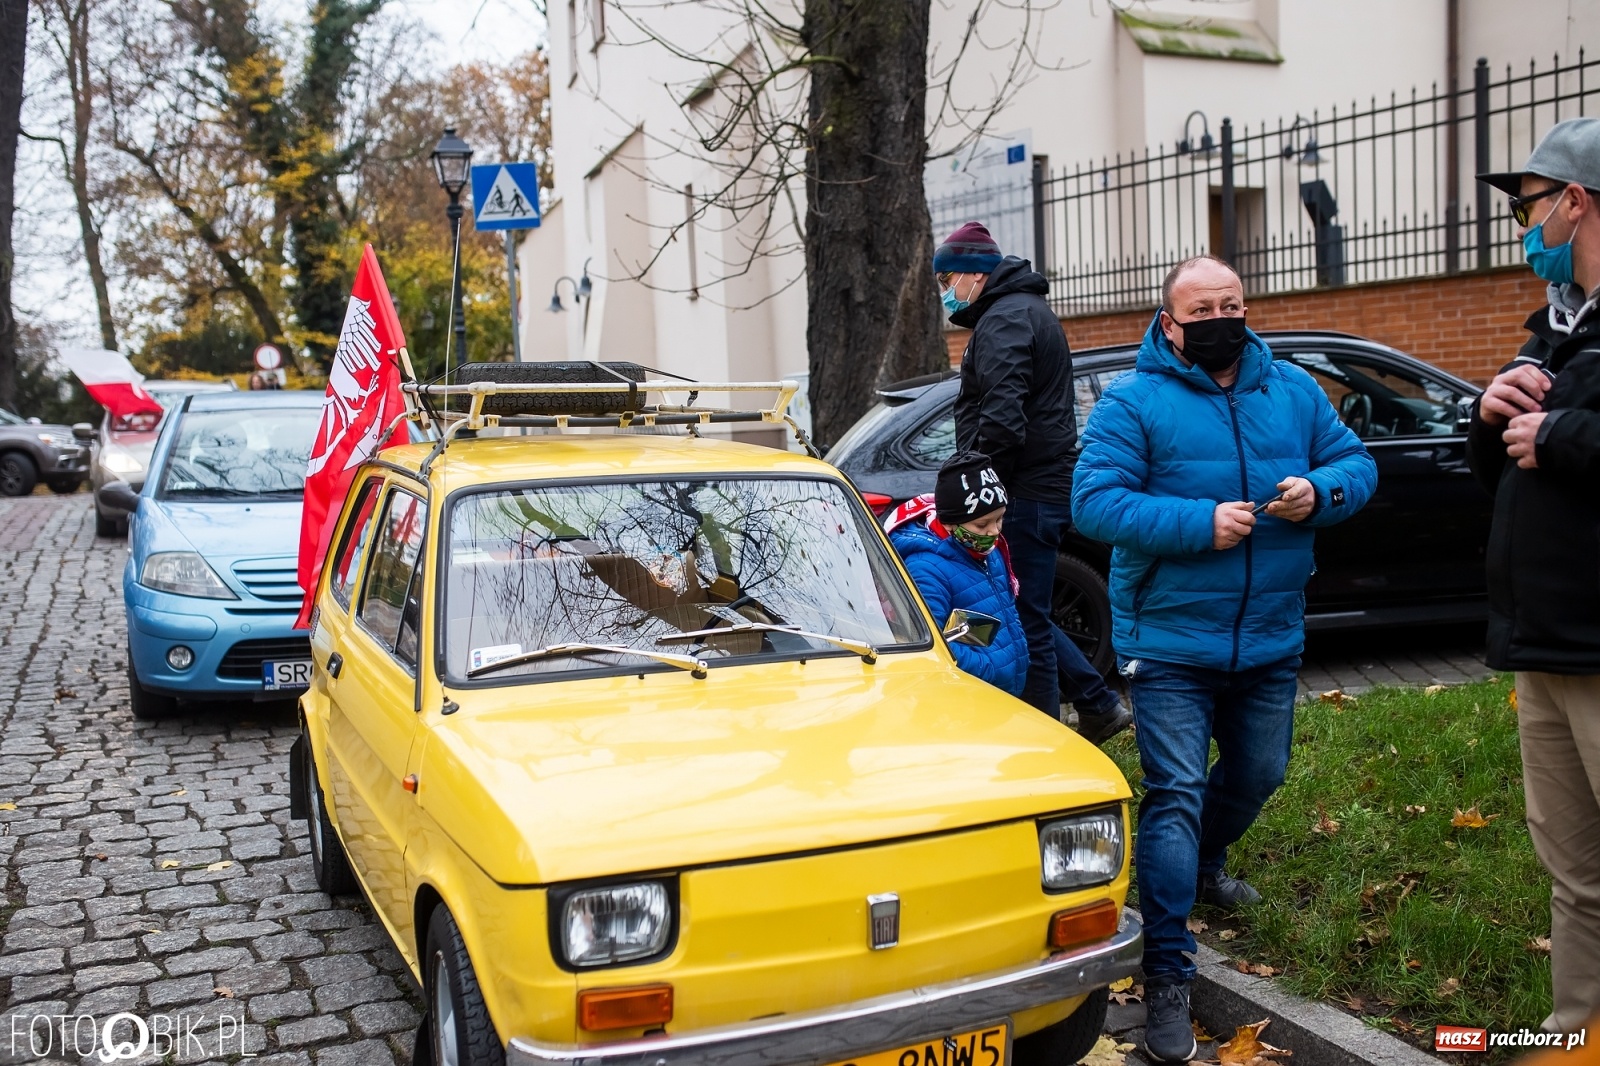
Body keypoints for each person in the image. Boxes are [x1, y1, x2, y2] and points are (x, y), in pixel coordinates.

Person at [1072, 254, 1376, 1063]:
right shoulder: (1133, 402)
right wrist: (1198, 523)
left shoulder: (1295, 391)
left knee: (1258, 772)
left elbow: (1357, 463)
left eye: (1231, 304)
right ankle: (1167, 972)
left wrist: (1323, 492)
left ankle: (1204, 863)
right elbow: (1094, 503)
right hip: (1169, 641)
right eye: (1201, 308)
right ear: (1170, 324)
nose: (1219, 318)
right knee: (1174, 791)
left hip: (1271, 633)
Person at [1469, 116, 1600, 1037]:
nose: (1526, 229)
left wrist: (1560, 436)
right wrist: (1493, 418)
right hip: (1545, 646)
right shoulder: (1550, 332)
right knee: (1577, 877)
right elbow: (1508, 474)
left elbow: (1563, 450)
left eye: (1530, 208)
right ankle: (1576, 1034)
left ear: (1575, 202)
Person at [935, 220, 1132, 743]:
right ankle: (1096, 704)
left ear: (977, 274)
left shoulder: (1006, 320)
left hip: (1021, 493)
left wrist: (976, 491)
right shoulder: (1021, 312)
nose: (945, 294)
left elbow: (1000, 420)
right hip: (1032, 490)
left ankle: (1046, 743)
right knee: (1025, 612)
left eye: (947, 279)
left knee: (1025, 623)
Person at [885, 451, 1028, 697]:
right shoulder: (926, 569)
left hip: (1002, 689)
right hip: (972, 693)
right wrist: (990, 670)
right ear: (950, 523)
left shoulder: (988, 550)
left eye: (999, 519)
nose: (994, 532)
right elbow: (934, 643)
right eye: (982, 525)